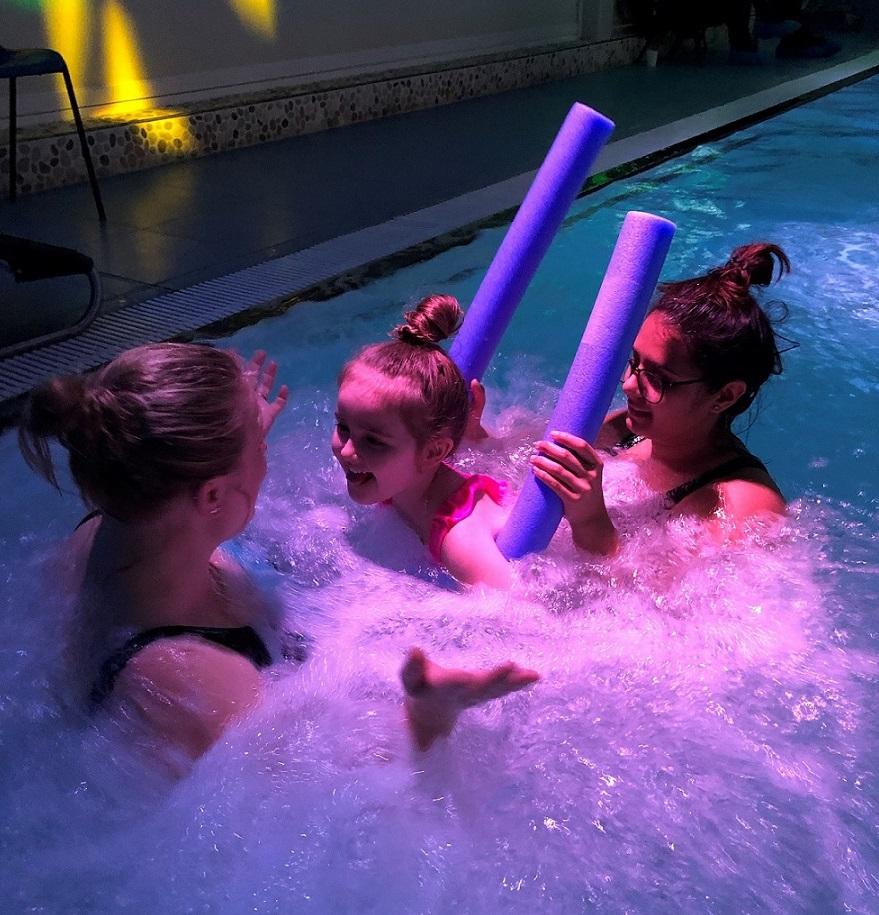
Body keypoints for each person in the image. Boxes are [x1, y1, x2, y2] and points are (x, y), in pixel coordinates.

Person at [18, 343, 537, 765]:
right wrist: (427, 717)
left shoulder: (108, 525)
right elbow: (342, 796)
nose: (265, 461)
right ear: (212, 495)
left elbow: (153, 466)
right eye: (260, 450)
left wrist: (224, 449)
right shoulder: (194, 680)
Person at [530, 243, 791, 555]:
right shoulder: (629, 430)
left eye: (657, 378)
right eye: (634, 362)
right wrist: (481, 433)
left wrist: (590, 521)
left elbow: (644, 589)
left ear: (724, 396)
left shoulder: (744, 507)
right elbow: (518, 456)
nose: (629, 385)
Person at [332, 294, 513, 588]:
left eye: (373, 441)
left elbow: (526, 609)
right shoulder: (394, 479)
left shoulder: (460, 540)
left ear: (432, 453)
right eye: (343, 427)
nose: (347, 451)